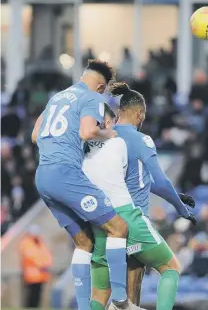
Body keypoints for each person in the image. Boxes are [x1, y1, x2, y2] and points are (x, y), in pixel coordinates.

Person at [32, 60, 142, 310]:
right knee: (118, 228)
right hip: (65, 174)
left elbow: (35, 135)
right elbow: (86, 132)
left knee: (84, 243)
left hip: (43, 176)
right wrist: (108, 134)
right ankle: (121, 301)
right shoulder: (91, 97)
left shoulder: (57, 98)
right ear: (101, 86)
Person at [83, 83, 196, 310]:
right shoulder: (140, 139)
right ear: (140, 114)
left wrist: (176, 195)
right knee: (167, 270)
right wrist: (180, 208)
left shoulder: (102, 139)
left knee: (101, 294)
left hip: (102, 221)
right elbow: (162, 181)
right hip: (132, 222)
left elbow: (138, 180)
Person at [19, 224, 53, 308]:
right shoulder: (26, 242)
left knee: (37, 296)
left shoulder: (40, 242)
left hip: (41, 274)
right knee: (31, 296)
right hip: (31, 275)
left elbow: (47, 254)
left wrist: (47, 263)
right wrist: (41, 264)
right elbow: (30, 255)